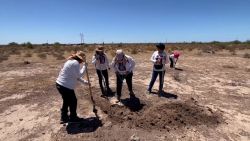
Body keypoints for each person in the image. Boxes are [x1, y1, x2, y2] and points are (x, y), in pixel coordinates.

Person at [56, 51, 89, 124]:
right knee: (73, 101)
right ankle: (73, 117)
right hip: (65, 86)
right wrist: (84, 66)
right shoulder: (75, 63)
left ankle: (64, 117)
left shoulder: (70, 61)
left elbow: (75, 76)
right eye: (82, 60)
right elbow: (79, 75)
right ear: (80, 59)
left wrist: (85, 82)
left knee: (67, 101)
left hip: (60, 84)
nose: (82, 62)